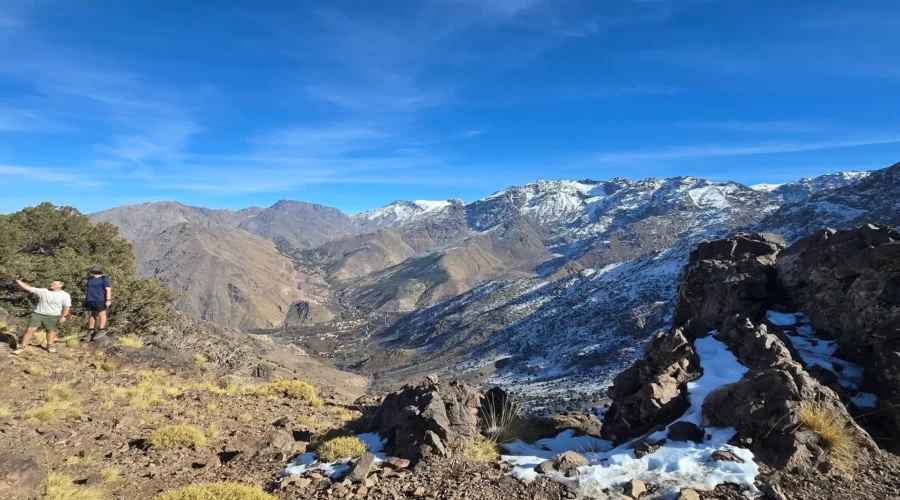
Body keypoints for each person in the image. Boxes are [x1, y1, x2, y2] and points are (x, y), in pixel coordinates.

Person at [12, 278, 71, 354]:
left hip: (52, 315)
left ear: (60, 285)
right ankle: (22, 347)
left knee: (50, 330)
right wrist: (18, 281)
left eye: (54, 284)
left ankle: (50, 345)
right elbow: (28, 288)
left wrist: (64, 316)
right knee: (30, 330)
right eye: (52, 283)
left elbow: (67, 307)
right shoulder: (44, 291)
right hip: (38, 314)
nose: (51, 284)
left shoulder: (65, 295)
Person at [83, 266, 111, 341]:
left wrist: (108, 300)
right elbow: (88, 289)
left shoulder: (104, 279)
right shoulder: (90, 279)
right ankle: (91, 331)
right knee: (91, 315)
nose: (93, 273)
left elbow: (108, 290)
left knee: (101, 314)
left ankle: (101, 329)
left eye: (94, 272)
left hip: (100, 299)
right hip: (90, 299)